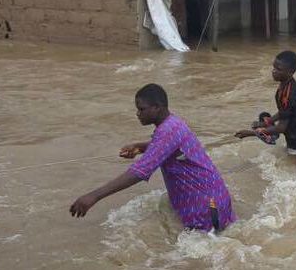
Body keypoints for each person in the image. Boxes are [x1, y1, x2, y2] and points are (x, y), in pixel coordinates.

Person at [69, 84, 236, 232]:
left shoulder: (167, 131)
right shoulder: (173, 122)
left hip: (205, 207)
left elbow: (139, 172)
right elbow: (168, 147)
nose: (137, 114)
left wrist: (93, 196)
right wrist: (141, 147)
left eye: (141, 109)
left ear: (157, 107)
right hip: (216, 198)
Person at [235, 51, 296, 174]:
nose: (273, 71)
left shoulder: (290, 94)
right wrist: (268, 122)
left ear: (290, 72)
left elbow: (281, 127)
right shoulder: (284, 87)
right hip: (295, 138)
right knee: (293, 171)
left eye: (278, 69)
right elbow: (284, 112)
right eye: (273, 67)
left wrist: (252, 133)